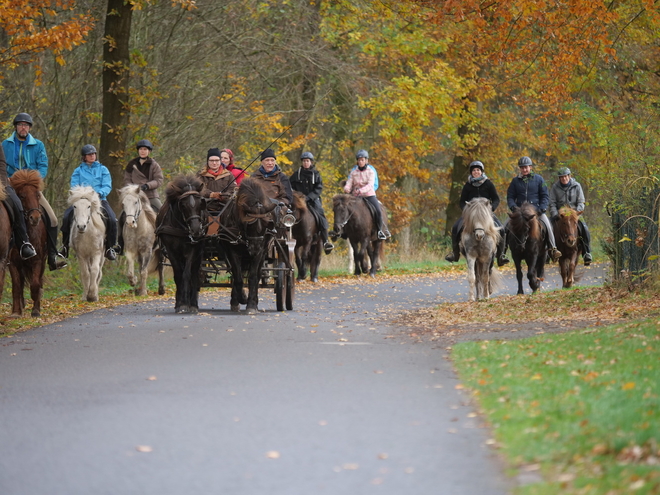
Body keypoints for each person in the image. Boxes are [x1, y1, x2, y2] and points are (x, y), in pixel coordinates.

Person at [2, 112, 65, 269]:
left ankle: (51, 256)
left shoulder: (38, 145)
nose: (23, 127)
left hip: (31, 187)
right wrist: (6, 180)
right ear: (16, 127)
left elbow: (43, 166)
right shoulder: (5, 144)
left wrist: (34, 180)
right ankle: (5, 253)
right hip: (11, 186)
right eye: (20, 125)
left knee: (53, 219)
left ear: (29, 128)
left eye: (26, 125)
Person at [445, 160, 509, 266]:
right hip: (471, 215)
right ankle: (455, 254)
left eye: (478, 170)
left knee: (501, 229)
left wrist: (490, 209)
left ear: (481, 171)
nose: (476, 172)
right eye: (474, 170)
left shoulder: (488, 183)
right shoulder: (467, 185)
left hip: (486, 214)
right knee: (456, 227)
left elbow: (496, 199)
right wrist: (467, 211)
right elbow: (462, 201)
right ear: (471, 172)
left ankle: (501, 255)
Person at [60, 145, 118, 261]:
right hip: (82, 201)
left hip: (100, 200)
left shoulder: (103, 169)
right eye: (89, 154)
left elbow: (107, 185)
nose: (92, 156)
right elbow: (74, 186)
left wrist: (99, 194)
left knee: (112, 219)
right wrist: (82, 195)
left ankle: (110, 248)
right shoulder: (78, 171)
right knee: (66, 217)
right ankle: (65, 247)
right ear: (84, 157)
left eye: (93, 154)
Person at [506, 156, 561, 261]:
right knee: (505, 227)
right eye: (522, 168)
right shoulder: (515, 181)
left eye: (526, 167)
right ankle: (503, 252)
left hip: (536, 212)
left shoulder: (539, 179)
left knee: (548, 226)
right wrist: (513, 207)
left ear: (530, 167)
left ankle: (553, 249)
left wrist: (542, 208)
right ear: (520, 169)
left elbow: (545, 196)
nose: (524, 169)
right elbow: (510, 196)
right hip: (519, 213)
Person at [290, 151, 334, 254]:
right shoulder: (296, 174)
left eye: (307, 161)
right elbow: (290, 186)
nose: (306, 163)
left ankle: (326, 241)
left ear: (311, 162)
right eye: (304, 161)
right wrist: (297, 196)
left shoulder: (316, 174)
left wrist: (309, 197)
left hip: (313, 200)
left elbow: (318, 188)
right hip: (299, 201)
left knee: (321, 215)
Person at [0, 144, 37, 261]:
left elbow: (1, 164)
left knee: (16, 203)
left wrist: (1, 183)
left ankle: (23, 243)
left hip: (0, 183)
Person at [549, 167, 592, 265]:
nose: (563, 179)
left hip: (574, 214)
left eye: (565, 176)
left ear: (569, 176)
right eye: (561, 177)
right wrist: (555, 214)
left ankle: (586, 252)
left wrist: (576, 212)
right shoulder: (555, 187)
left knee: (584, 228)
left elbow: (581, 201)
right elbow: (552, 203)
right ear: (559, 178)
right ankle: (549, 252)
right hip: (561, 215)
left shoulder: (577, 186)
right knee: (548, 228)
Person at [344, 149, 390, 240]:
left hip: (369, 195)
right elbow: (350, 182)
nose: (360, 161)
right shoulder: (354, 172)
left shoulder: (371, 172)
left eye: (362, 160)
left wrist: (361, 190)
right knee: (343, 208)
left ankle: (380, 230)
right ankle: (343, 231)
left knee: (378, 210)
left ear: (366, 160)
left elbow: (370, 185)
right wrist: (347, 188)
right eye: (359, 160)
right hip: (356, 196)